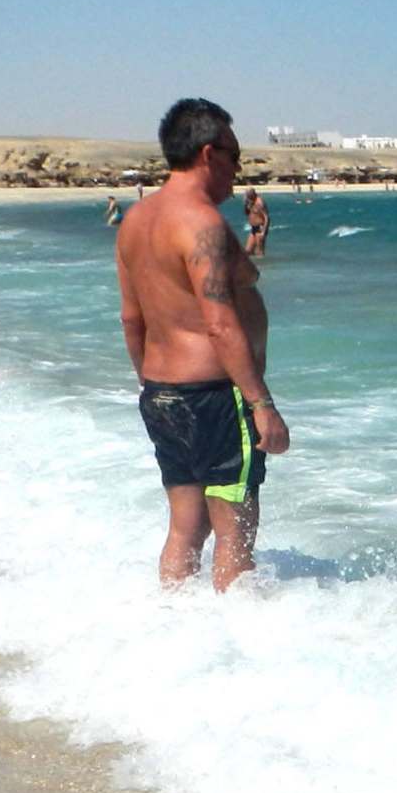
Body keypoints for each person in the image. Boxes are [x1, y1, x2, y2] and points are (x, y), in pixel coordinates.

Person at [115, 97, 288, 592]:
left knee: (185, 529)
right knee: (235, 535)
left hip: (163, 393)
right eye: (235, 157)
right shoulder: (202, 223)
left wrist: (152, 385)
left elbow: (132, 318)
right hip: (216, 396)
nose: (238, 170)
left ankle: (174, 621)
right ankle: (237, 633)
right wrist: (261, 404)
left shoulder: (136, 221)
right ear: (209, 154)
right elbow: (220, 325)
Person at [243, 186, 269, 258]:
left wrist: (264, 232)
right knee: (248, 251)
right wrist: (246, 205)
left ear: (252, 194)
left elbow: (266, 217)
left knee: (259, 252)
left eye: (248, 196)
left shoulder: (260, 202)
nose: (247, 197)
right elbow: (247, 213)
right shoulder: (250, 202)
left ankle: (264, 264)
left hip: (260, 228)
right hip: (253, 228)